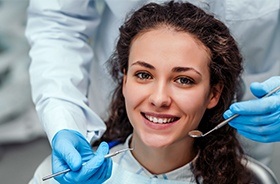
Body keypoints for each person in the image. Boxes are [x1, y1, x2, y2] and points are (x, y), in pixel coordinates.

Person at [25, 0, 280, 183]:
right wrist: (64, 118)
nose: (159, 99)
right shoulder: (58, 177)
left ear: (213, 94)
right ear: (124, 81)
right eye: (144, 75)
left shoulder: (253, 179)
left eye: (184, 80)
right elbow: (58, 22)